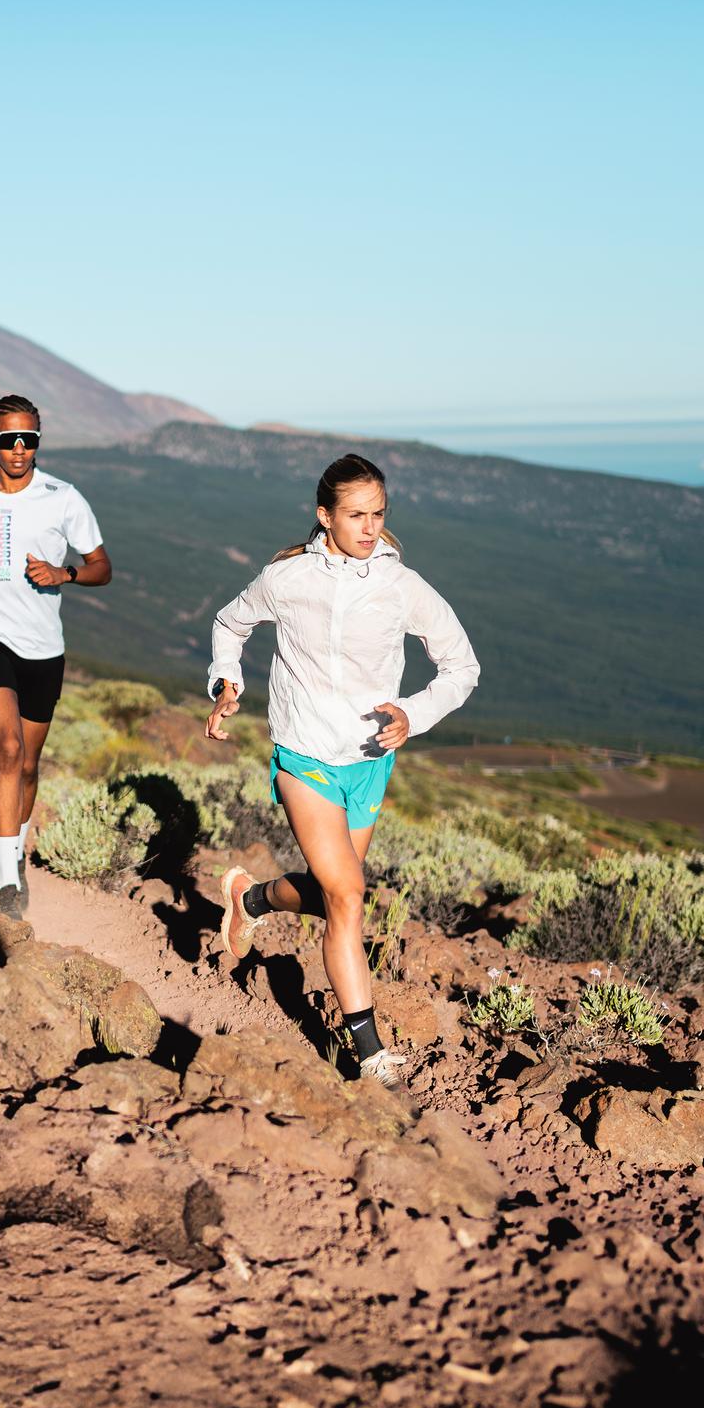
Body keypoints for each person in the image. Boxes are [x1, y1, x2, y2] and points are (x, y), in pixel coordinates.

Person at [203, 453, 479, 1086]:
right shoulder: (288, 577)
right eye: (356, 515)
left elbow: (461, 666)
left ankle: (252, 899)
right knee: (350, 897)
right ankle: (370, 1052)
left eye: (378, 514)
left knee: (336, 897)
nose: (369, 528)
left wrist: (412, 714)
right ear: (324, 516)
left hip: (368, 763)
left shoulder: (402, 586)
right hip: (304, 755)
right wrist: (226, 683)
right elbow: (230, 623)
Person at [0, 395, 112, 921]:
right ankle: (7, 880)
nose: (18, 449)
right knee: (6, 748)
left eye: (27, 439)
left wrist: (66, 574)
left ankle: (16, 849)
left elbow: (101, 566)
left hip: (43, 645)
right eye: (8, 439)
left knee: (29, 764)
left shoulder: (63, 498)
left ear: (38, 439)